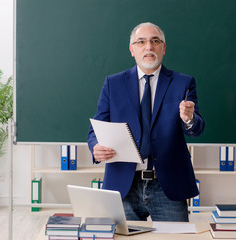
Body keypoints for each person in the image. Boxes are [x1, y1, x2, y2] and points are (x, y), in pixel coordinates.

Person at [87, 22, 205, 222]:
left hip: (168, 186)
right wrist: (95, 148)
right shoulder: (113, 84)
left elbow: (197, 128)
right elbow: (95, 130)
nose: (148, 47)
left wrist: (189, 119)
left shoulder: (182, 83)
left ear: (163, 48)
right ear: (132, 49)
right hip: (124, 185)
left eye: (155, 41)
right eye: (141, 42)